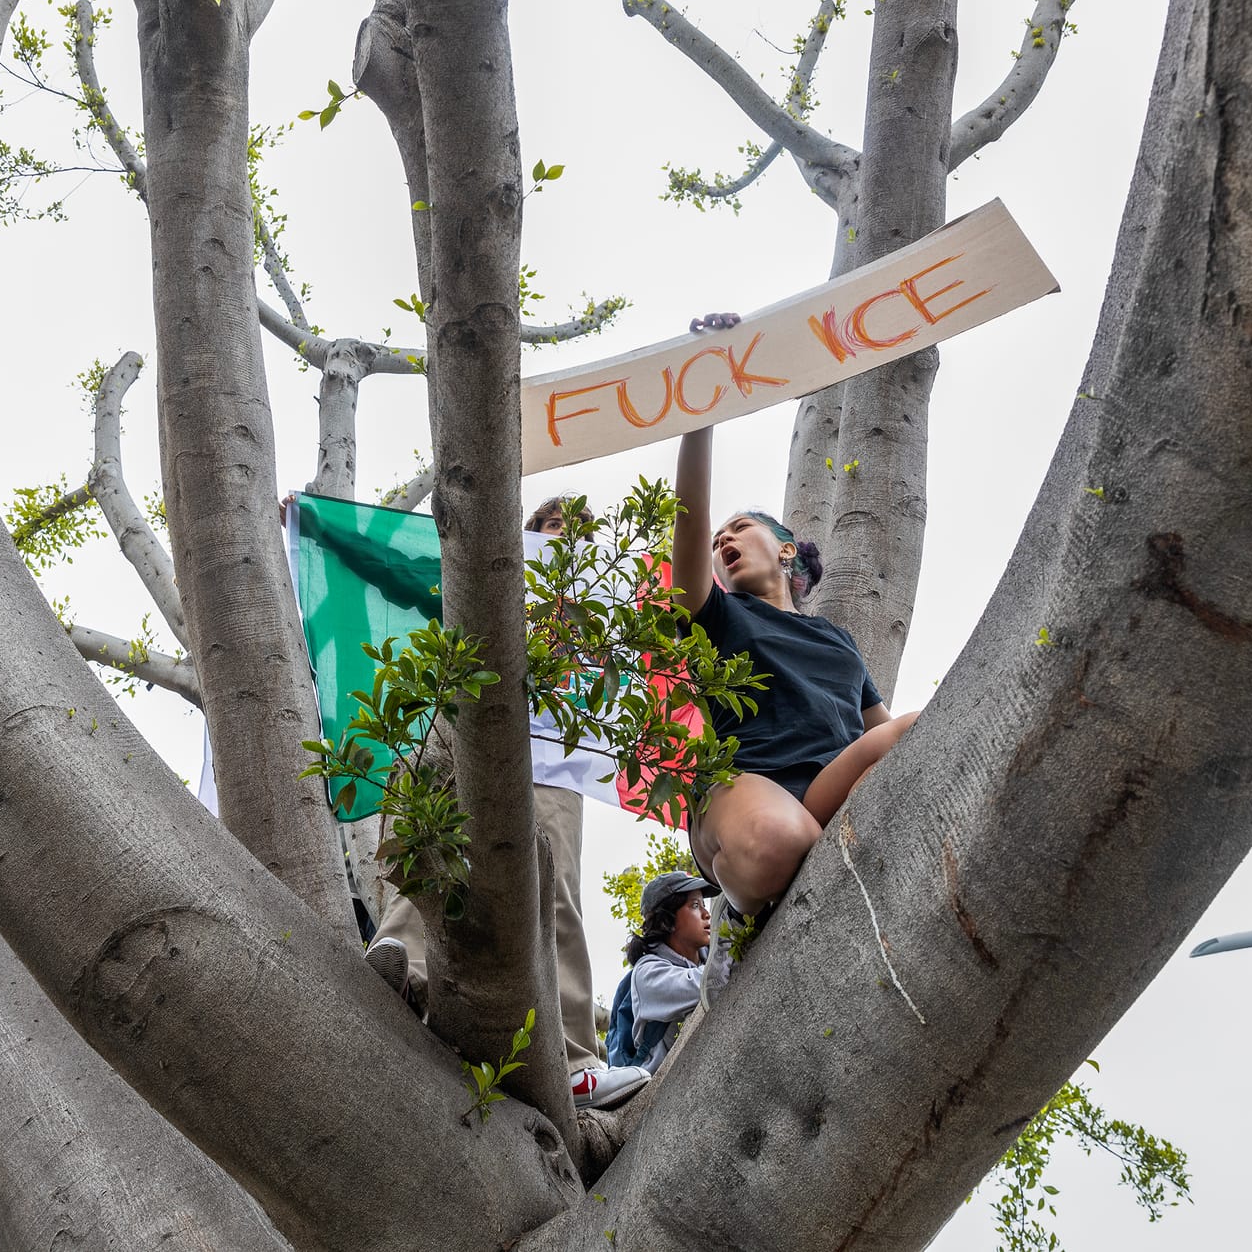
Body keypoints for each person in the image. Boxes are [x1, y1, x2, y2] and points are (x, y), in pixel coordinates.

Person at [364, 495, 651, 1111]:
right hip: (472, 742)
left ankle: (574, 1057)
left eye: (574, 531)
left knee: (557, 891)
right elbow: (401, 570)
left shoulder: (606, 606)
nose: (560, 537)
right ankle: (398, 969)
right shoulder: (492, 579)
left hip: (558, 762)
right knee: (437, 848)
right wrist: (309, 525)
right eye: (549, 527)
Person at [672, 424, 920, 928]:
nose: (723, 540)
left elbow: (884, 734)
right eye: (718, 541)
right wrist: (698, 419)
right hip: (747, 786)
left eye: (739, 528)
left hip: (826, 789)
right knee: (778, 841)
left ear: (786, 551)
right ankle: (734, 919)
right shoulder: (716, 614)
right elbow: (690, 522)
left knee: (920, 727)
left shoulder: (837, 640)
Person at [618, 871, 719, 1072]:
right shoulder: (647, 974)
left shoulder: (707, 955)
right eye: (695, 906)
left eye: (704, 906)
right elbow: (705, 983)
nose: (706, 914)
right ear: (667, 920)